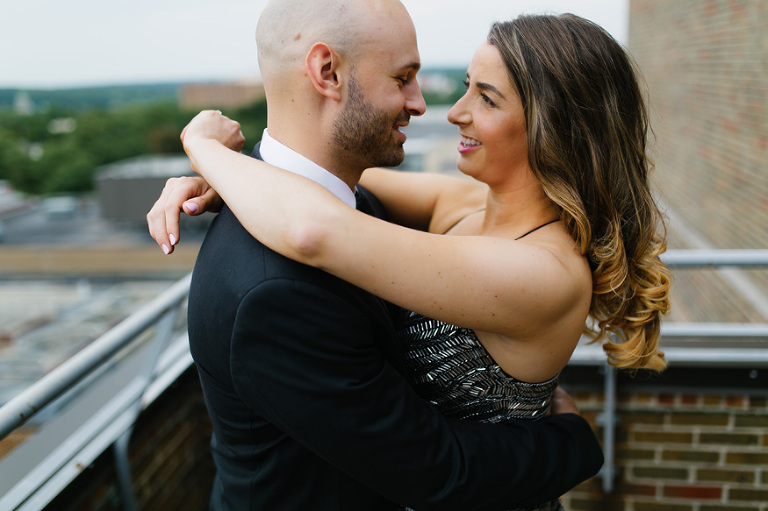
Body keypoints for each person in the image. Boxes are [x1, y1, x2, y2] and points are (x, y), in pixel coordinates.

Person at [148, 2, 604, 510]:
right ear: (327, 73)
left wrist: (209, 152)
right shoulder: (276, 291)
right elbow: (305, 206)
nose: (440, 109)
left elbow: (313, 219)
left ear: (551, 125)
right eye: (404, 76)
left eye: (486, 97)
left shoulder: (538, 266)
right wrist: (225, 171)